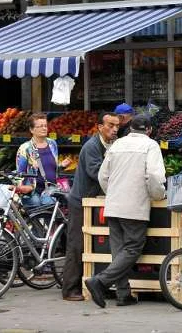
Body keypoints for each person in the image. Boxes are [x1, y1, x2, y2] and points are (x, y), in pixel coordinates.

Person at [85, 115, 166, 308]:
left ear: (130, 129)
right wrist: (158, 195)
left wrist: (112, 193)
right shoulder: (150, 145)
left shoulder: (117, 144)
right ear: (149, 130)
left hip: (113, 205)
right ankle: (101, 281)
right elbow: (155, 176)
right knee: (132, 248)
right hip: (134, 206)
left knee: (119, 250)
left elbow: (103, 176)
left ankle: (123, 294)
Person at [61, 111, 120, 302]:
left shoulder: (112, 145)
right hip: (81, 201)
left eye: (116, 125)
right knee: (77, 245)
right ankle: (69, 289)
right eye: (110, 125)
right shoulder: (91, 147)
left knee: (92, 245)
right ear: (99, 127)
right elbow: (97, 172)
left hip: (95, 201)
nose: (114, 129)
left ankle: (89, 282)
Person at [15, 113, 72, 208]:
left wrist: (61, 165)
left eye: (45, 126)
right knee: (36, 213)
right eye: (40, 126)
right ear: (32, 130)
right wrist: (21, 188)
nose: (44, 128)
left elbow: (50, 167)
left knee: (49, 207)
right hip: (32, 191)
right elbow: (19, 173)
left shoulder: (52, 144)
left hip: (51, 188)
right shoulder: (25, 148)